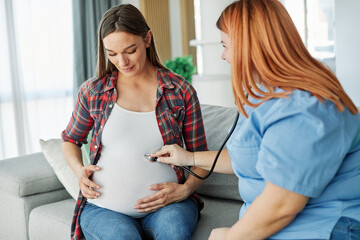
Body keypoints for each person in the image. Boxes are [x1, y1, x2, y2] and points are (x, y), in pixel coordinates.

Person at [151, 0, 360, 239]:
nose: (223, 56)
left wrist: (229, 237)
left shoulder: (302, 105)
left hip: (326, 228)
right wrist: (188, 157)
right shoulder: (264, 96)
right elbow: (255, 158)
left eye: (225, 45)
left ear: (249, 46)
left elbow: (282, 205)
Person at [61, 4, 208, 240]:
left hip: (169, 206)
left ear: (147, 39)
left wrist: (185, 190)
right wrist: (79, 171)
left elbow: (201, 155)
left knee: (175, 232)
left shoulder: (180, 91)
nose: (122, 61)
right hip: (104, 208)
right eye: (112, 53)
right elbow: (70, 139)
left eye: (130, 50)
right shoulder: (93, 91)